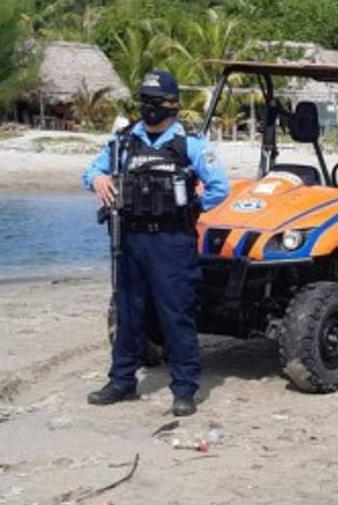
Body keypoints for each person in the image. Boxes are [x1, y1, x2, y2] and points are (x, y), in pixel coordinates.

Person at [82, 69, 229, 416]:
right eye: (144, 102)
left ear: (173, 105)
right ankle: (121, 381)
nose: (149, 109)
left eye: (156, 102)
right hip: (131, 240)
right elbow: (90, 172)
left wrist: (190, 209)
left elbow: (220, 188)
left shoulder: (190, 145)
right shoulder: (123, 141)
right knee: (128, 312)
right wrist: (98, 179)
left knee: (175, 314)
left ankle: (184, 389)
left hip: (172, 241)